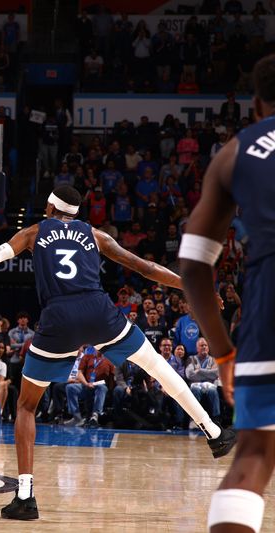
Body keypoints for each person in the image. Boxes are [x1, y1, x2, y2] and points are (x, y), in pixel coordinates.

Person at [0, 185, 236, 521]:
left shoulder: (33, 232)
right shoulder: (95, 234)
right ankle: (214, 432)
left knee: (27, 406)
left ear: (49, 208)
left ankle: (26, 496)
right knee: (158, 365)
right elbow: (144, 267)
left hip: (58, 318)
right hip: (98, 310)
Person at [179, 54, 275, 533]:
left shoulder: (238, 151)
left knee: (254, 455)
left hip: (269, 305)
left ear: (257, 104)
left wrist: (223, 353)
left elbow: (194, 265)